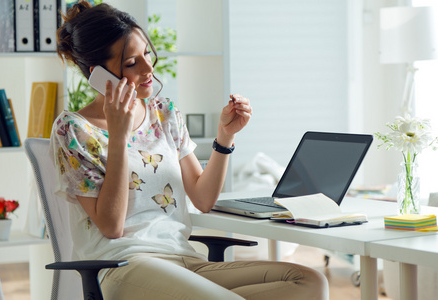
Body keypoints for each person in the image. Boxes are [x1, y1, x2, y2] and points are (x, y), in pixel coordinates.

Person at [50, 1, 329, 299]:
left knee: (309, 281)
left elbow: (203, 198)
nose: (148, 69)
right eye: (131, 63)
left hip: (185, 259)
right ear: (99, 75)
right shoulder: (74, 129)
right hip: (125, 265)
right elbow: (111, 225)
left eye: (146, 53)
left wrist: (225, 137)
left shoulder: (164, 113)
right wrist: (119, 136)